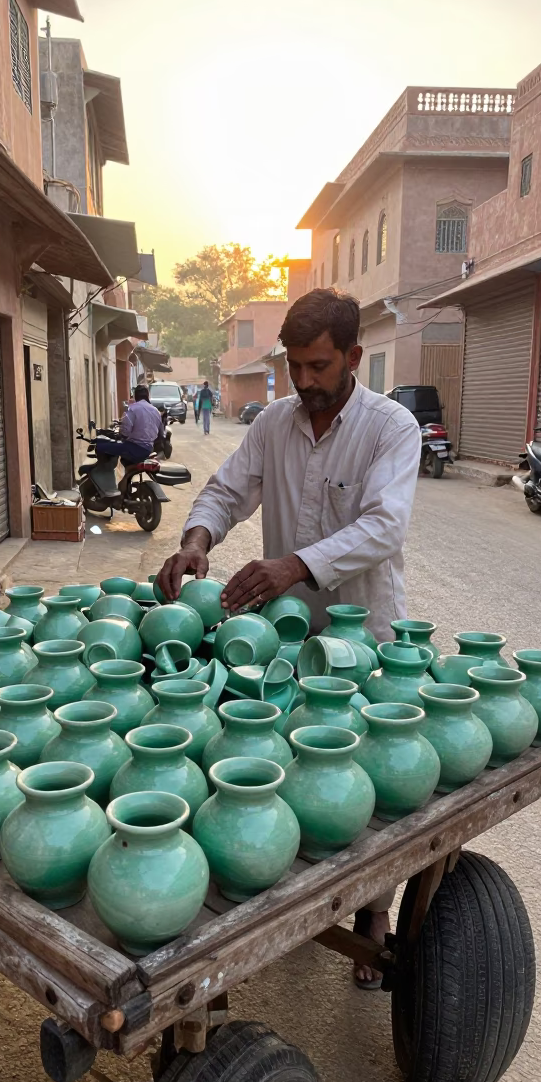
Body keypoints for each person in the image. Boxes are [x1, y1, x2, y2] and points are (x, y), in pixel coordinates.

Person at [156, 288, 421, 987]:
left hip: (362, 635)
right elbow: (226, 489)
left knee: (362, 775)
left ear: (353, 357)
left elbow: (385, 525)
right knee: (287, 760)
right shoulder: (274, 423)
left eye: (318, 365)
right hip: (282, 644)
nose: (304, 381)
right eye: (294, 367)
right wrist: (196, 539)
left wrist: (295, 565)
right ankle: (292, 876)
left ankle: (372, 908)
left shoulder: (391, 428)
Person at [96, 385, 164, 470]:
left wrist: (121, 435)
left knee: (100, 446)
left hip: (135, 448)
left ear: (135, 396)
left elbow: (125, 432)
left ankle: (103, 474)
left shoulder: (133, 409)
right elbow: (161, 433)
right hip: (149, 449)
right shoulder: (156, 411)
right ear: (148, 396)